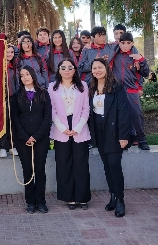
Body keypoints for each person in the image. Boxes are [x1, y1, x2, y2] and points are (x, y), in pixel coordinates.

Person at [88, 58, 131, 218]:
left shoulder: (117, 87)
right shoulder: (91, 87)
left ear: (106, 68)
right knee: (106, 165)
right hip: (98, 133)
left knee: (114, 165)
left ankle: (120, 200)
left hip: (114, 132)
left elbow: (124, 112)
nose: (97, 70)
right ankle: (112, 196)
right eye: (94, 68)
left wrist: (123, 136)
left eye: (100, 67)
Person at [48, 58, 91, 209]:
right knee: (64, 164)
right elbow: (51, 109)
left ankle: (82, 198)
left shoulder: (83, 86)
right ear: (59, 70)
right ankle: (70, 198)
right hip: (61, 129)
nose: (67, 70)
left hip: (80, 127)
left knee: (81, 164)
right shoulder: (52, 87)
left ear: (74, 70)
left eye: (70, 67)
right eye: (63, 67)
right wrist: (61, 127)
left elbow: (86, 108)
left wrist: (78, 127)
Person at [10, 66, 52, 214]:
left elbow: (47, 118)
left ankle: (41, 201)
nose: (25, 77)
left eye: (27, 74)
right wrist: (25, 136)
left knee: (39, 170)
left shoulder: (43, 94)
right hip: (23, 139)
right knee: (28, 170)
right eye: (22, 76)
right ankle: (30, 201)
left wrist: (36, 136)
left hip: (40, 139)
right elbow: (14, 118)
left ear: (33, 75)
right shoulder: (16, 96)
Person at [112, 32, 150, 150]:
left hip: (131, 90)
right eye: (123, 43)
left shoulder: (136, 56)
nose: (125, 45)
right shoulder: (115, 55)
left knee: (136, 115)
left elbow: (145, 73)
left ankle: (142, 140)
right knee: (118, 116)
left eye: (128, 43)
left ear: (132, 43)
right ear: (119, 43)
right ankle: (123, 140)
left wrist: (142, 60)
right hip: (117, 91)